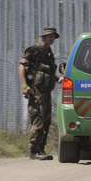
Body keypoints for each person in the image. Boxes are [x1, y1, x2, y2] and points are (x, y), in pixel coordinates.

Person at [19, 26, 63, 160]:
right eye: (50, 36)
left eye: (53, 36)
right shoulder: (34, 50)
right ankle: (34, 151)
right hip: (36, 91)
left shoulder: (48, 52)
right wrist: (24, 85)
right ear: (43, 37)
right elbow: (22, 66)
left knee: (47, 120)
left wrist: (57, 78)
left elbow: (48, 72)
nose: (52, 38)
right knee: (38, 119)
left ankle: (41, 149)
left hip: (46, 92)